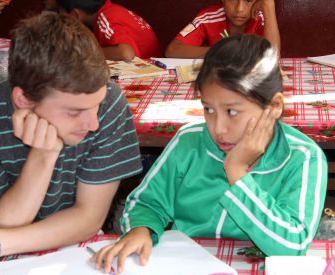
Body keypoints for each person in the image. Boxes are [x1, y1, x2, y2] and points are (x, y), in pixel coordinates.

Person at [93, 35, 328, 273]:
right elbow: (146, 203)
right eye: (208, 109)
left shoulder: (303, 158)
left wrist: (237, 174)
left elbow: (291, 246)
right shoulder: (190, 141)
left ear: (274, 106)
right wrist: (141, 229)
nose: (218, 128)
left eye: (232, 112)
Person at [0, 12, 142, 260]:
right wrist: (44, 155)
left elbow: (89, 217)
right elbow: (1, 223)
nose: (93, 123)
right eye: (74, 112)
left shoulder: (110, 102)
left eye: (96, 106)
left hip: (75, 254)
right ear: (22, 100)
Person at [165, 0, 280, 58]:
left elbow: (273, 56)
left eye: (248, 0)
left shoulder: (260, 17)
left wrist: (268, 4)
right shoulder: (208, 17)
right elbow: (172, 50)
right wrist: (220, 50)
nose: (239, 9)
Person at [57, 0, 161, 61]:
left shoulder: (105, 18)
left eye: (61, 14)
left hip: (148, 71)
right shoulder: (112, 9)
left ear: (75, 15)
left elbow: (126, 54)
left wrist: (84, 52)